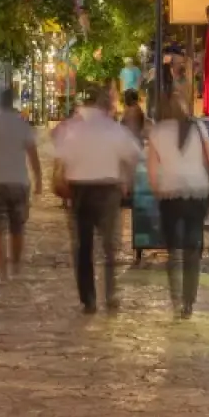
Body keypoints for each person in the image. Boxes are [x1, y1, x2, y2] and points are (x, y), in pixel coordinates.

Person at [53, 84, 140, 313]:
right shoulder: (113, 129)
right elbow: (133, 155)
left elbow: (60, 156)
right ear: (105, 106)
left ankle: (88, 299)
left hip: (80, 189)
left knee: (83, 246)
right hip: (108, 188)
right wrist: (125, 180)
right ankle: (110, 293)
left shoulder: (73, 128)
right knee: (110, 245)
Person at [147, 95, 209, 318]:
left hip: (170, 194)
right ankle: (189, 301)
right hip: (197, 191)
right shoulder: (198, 127)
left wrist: (157, 190)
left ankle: (175, 296)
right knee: (192, 247)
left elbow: (152, 171)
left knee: (173, 251)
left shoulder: (157, 132)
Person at [0, 86, 41, 281]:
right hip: (19, 181)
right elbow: (33, 156)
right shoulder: (22, 126)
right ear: (13, 102)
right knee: (17, 227)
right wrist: (39, 181)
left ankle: (0, 273)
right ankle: (16, 269)